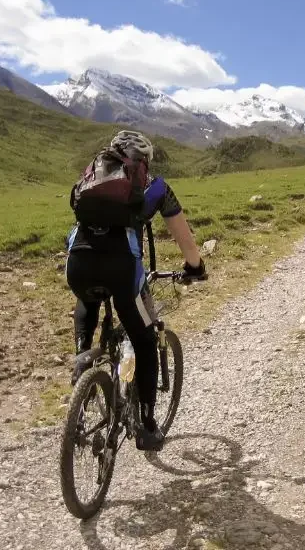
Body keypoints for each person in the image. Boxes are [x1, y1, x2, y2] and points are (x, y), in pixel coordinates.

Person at [65, 130, 207, 452]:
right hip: (122, 272)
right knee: (144, 339)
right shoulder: (155, 187)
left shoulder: (93, 176)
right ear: (144, 162)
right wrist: (195, 267)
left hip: (78, 264)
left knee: (87, 298)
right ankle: (145, 426)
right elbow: (183, 237)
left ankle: (82, 361)